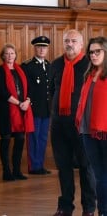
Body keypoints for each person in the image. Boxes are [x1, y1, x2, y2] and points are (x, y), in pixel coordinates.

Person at [50, 29, 96, 216]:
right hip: (59, 124)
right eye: (67, 40)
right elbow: (51, 90)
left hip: (83, 125)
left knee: (86, 168)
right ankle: (65, 207)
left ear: (81, 44)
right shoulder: (56, 64)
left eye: (73, 41)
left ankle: (89, 208)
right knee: (64, 167)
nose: (69, 44)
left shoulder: (90, 65)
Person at [76, 36, 107, 216]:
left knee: (104, 175)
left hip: (104, 131)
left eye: (98, 51)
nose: (93, 55)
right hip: (88, 131)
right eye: (91, 52)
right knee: (98, 175)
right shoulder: (89, 74)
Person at [0, 43, 34, 181]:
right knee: (5, 140)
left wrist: (27, 101)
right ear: (3, 56)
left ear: (15, 55)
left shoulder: (21, 70)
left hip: (22, 111)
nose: (10, 56)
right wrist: (19, 103)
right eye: (7, 53)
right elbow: (3, 92)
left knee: (19, 140)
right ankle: (7, 171)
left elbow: (29, 88)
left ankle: (17, 170)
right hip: (7, 112)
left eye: (12, 53)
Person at [21, 36, 51, 175]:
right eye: (39, 46)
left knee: (43, 138)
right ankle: (34, 166)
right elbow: (26, 88)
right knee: (33, 138)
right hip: (33, 108)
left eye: (44, 47)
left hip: (46, 108)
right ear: (34, 48)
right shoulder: (27, 66)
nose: (42, 49)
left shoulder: (49, 66)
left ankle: (40, 164)